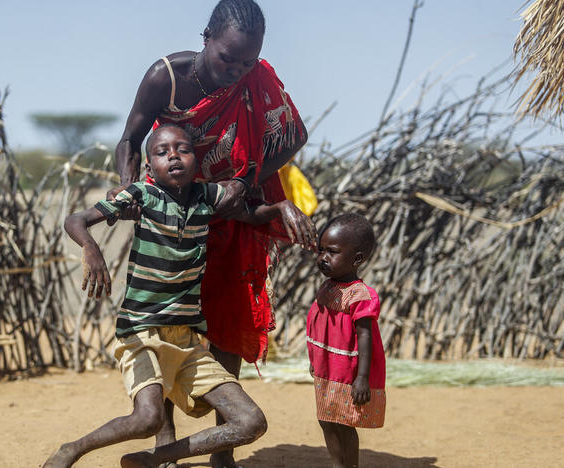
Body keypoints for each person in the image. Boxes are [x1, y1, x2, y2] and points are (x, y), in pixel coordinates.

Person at [111, 1, 317, 466]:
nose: (238, 70)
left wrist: (246, 180)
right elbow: (130, 138)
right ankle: (165, 443)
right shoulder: (166, 78)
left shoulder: (255, 79)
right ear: (206, 37)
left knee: (226, 320)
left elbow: (293, 135)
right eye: (229, 58)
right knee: (165, 317)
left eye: (248, 61)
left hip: (232, 209)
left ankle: (222, 447)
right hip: (173, 215)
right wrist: (129, 189)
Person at [44, 125, 308, 468]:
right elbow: (76, 219)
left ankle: (154, 458)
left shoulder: (206, 196)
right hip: (141, 333)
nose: (173, 156)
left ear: (196, 159)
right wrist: (91, 248)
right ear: (149, 166)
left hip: (187, 343)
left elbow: (246, 214)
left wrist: (281, 208)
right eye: (162, 151)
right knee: (147, 418)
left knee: (251, 422)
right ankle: (71, 449)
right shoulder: (141, 195)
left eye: (182, 149)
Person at [306, 213, 386, 468]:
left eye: (332, 252)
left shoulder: (360, 296)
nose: (323, 258)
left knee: (344, 423)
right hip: (328, 370)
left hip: (347, 374)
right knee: (326, 418)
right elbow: (320, 327)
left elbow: (365, 336)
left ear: (357, 259)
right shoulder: (329, 287)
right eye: (321, 251)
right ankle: (336, 464)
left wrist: (362, 377)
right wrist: (315, 361)